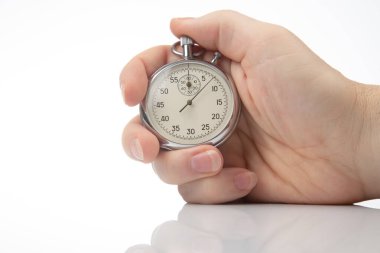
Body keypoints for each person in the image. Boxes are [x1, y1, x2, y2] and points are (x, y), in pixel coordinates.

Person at [119, 10, 380, 204]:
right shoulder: (169, 83)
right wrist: (356, 134)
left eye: (194, 96)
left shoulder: (225, 82)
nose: (190, 101)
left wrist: (356, 126)